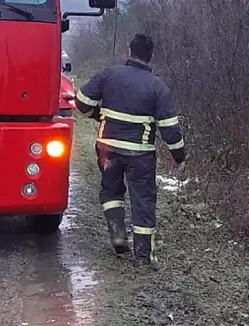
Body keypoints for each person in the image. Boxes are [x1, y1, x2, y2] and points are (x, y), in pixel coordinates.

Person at [74, 34, 186, 267]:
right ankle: (143, 256)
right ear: (150, 57)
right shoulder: (157, 86)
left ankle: (117, 234)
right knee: (143, 201)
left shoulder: (108, 74)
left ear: (129, 51)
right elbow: (169, 128)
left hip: (108, 149)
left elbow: (82, 102)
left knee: (111, 191)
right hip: (140, 154)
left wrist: (99, 115)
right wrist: (179, 156)